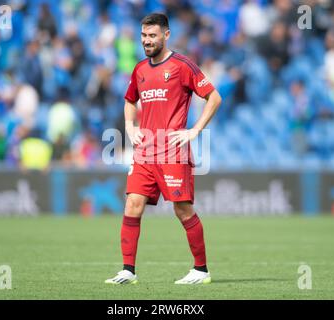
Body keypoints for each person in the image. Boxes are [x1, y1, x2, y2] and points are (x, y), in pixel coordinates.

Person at [105, 13, 222, 285]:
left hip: (172, 152)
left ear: (166, 35)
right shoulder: (139, 70)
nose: (147, 41)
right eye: (144, 36)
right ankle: (128, 271)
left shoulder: (182, 65)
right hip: (145, 152)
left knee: (183, 210)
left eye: (152, 36)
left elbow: (214, 97)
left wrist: (195, 130)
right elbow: (129, 100)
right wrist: (130, 127)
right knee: (133, 204)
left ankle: (201, 270)